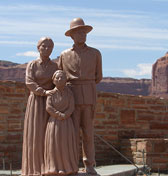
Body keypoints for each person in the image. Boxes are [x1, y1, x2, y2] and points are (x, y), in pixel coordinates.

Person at [58, 18, 102, 175]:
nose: (82, 35)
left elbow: (98, 77)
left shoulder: (95, 53)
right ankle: (71, 164)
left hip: (89, 94)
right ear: (72, 36)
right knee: (72, 132)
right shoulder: (64, 55)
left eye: (84, 32)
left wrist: (86, 84)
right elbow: (59, 75)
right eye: (79, 32)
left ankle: (89, 164)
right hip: (72, 96)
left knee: (88, 133)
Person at [22, 37, 57, 176]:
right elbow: (29, 82)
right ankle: (34, 168)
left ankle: (48, 166)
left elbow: (58, 82)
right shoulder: (32, 65)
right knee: (35, 134)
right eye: (44, 46)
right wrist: (43, 92)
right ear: (38, 48)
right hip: (36, 101)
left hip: (50, 102)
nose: (47, 49)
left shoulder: (55, 66)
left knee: (48, 135)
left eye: (49, 47)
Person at [43, 70, 78, 175]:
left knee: (66, 144)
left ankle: (67, 167)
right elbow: (48, 107)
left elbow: (72, 106)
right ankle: (54, 167)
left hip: (67, 122)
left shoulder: (69, 93)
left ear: (66, 80)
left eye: (62, 77)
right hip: (54, 123)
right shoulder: (51, 93)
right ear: (53, 80)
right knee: (54, 144)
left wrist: (66, 115)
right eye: (57, 78)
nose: (60, 79)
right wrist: (58, 115)